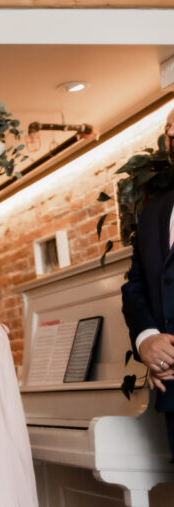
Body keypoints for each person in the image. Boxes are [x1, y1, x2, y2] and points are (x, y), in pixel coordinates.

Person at [121, 106, 174, 459]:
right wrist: (147, 341)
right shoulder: (154, 211)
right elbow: (135, 286)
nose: (171, 136)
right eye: (169, 128)